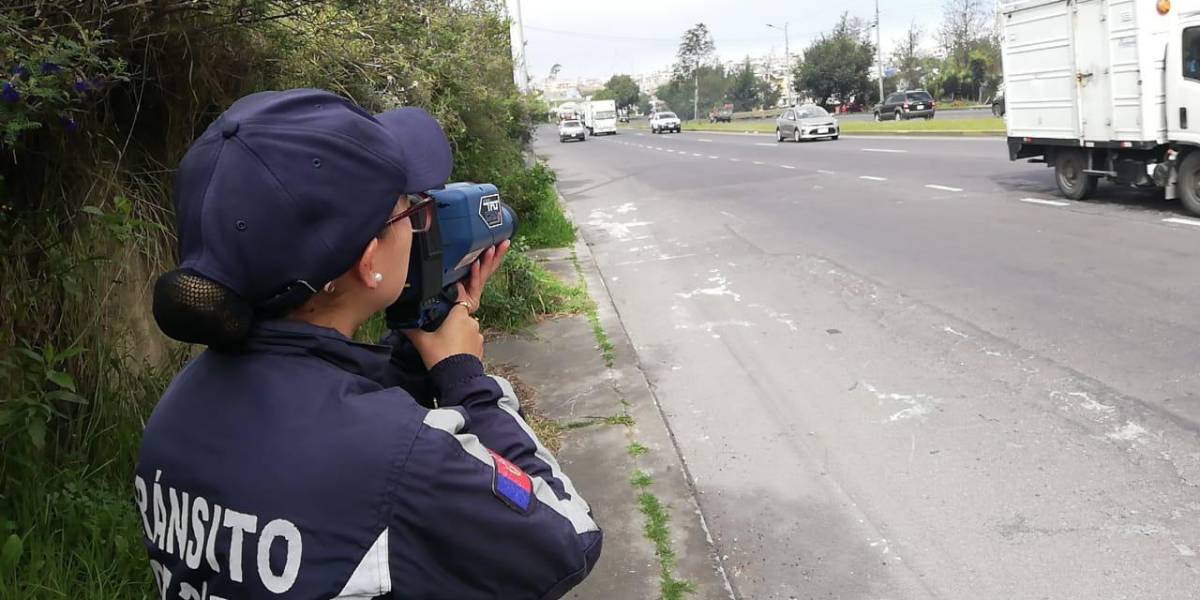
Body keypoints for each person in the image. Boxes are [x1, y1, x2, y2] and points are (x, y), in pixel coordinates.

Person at [136, 89, 602, 599]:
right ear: (368, 259)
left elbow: (332, 411)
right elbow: (568, 538)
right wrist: (465, 378)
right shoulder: (401, 461)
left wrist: (414, 341)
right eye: (412, 212)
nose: (423, 224)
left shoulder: (175, 411)